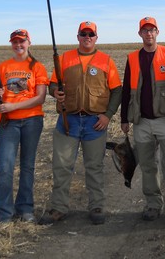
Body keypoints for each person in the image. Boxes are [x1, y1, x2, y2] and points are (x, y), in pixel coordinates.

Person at [41, 21, 122, 225]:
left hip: (95, 122)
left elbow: (117, 90)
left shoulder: (106, 60)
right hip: (68, 121)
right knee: (62, 166)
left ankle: (97, 206)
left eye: (91, 34)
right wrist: (54, 92)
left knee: (94, 166)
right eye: (83, 34)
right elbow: (52, 84)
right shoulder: (64, 58)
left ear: (96, 37)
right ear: (77, 36)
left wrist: (107, 115)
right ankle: (59, 208)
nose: (87, 37)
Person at [120, 16, 165, 227]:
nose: (149, 34)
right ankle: (153, 204)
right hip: (142, 122)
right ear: (140, 34)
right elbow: (125, 91)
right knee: (149, 166)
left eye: (152, 30)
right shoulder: (132, 58)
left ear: (157, 32)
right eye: (145, 30)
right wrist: (124, 119)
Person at [0, 29, 48, 225]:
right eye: (15, 42)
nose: (18, 45)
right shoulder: (3, 67)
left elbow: (40, 97)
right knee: (5, 166)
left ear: (29, 42)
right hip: (9, 122)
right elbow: (1, 95)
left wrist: (14, 106)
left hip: (32, 120)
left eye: (22, 41)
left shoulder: (37, 67)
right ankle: (2, 212)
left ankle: (25, 209)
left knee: (27, 166)